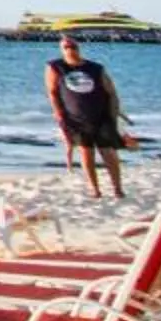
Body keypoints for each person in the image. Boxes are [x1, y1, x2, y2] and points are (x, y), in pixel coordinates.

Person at [45, 36, 128, 199]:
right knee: (86, 152)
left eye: (72, 46)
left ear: (78, 48)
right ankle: (94, 189)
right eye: (66, 47)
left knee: (108, 152)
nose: (70, 49)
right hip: (75, 118)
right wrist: (59, 114)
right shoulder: (56, 67)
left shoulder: (95, 68)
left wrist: (114, 114)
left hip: (101, 115)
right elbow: (52, 92)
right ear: (61, 50)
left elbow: (111, 92)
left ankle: (117, 188)